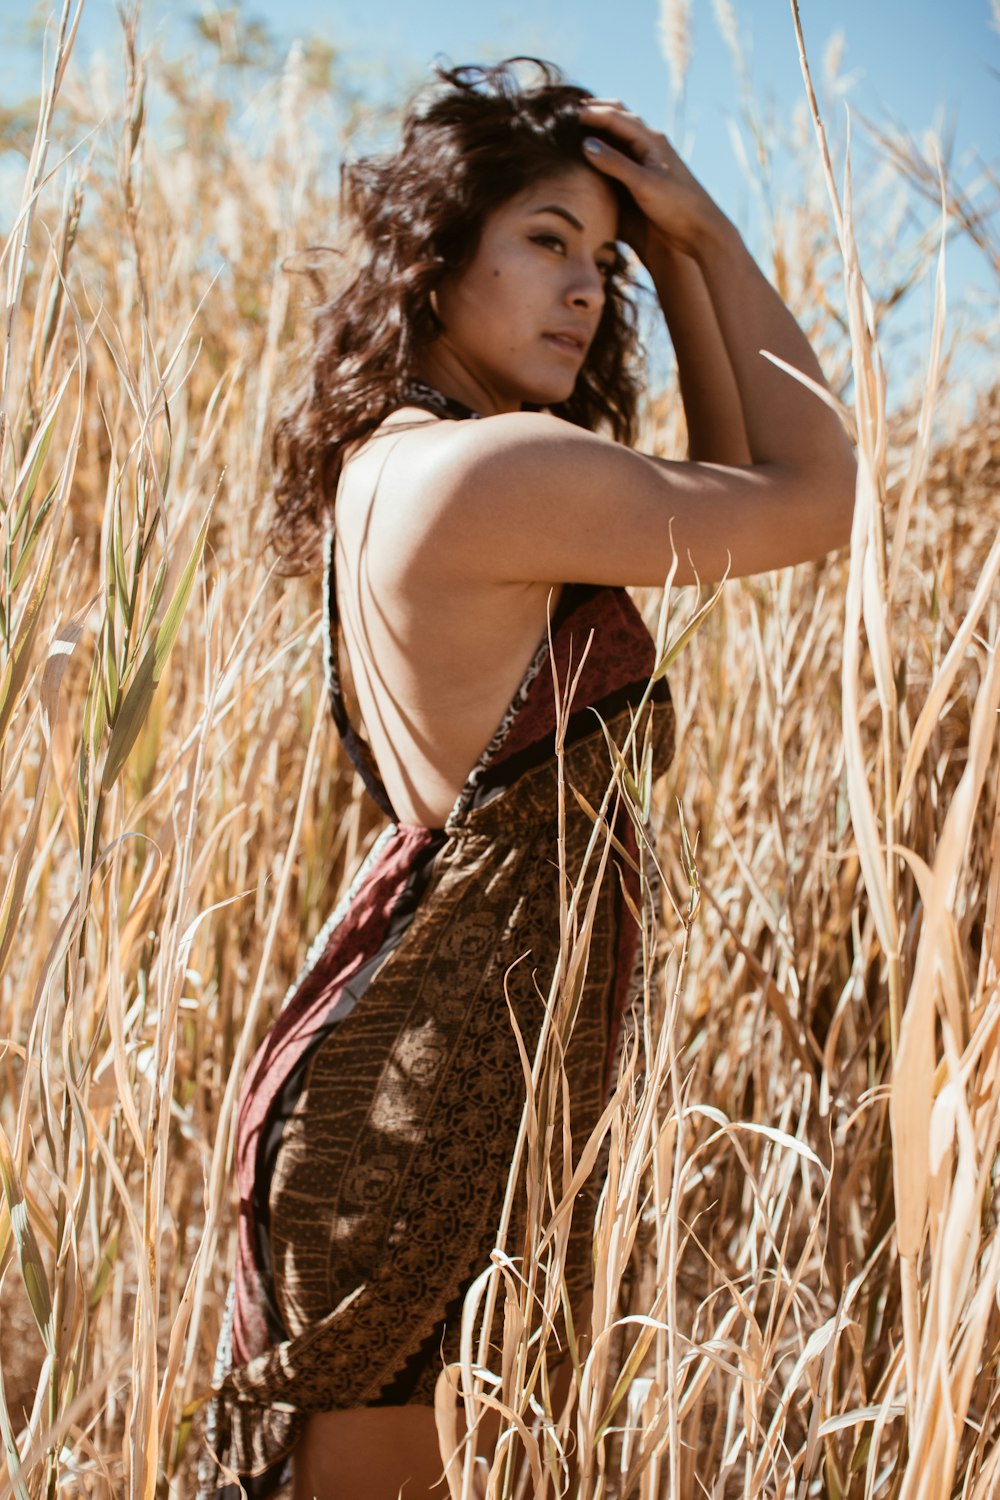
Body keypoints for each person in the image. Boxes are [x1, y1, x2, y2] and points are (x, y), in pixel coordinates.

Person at [197, 57, 855, 1500]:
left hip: (439, 1077)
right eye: (546, 240)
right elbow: (814, 499)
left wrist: (668, 253)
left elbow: (734, 484)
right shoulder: (487, 474)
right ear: (439, 265)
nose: (580, 289)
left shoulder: (411, 466)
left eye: (601, 266)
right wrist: (718, 241)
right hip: (429, 1110)